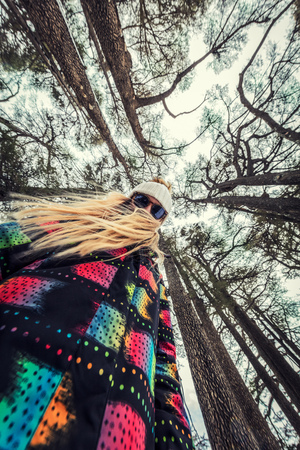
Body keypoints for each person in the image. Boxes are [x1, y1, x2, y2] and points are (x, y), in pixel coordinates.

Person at [0, 178, 194, 450]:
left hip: (119, 427)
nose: (147, 211)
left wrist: (174, 439)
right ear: (130, 199)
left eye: (158, 210)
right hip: (17, 362)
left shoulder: (153, 280)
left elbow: (163, 361)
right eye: (143, 200)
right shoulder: (79, 223)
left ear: (162, 220)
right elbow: (7, 243)